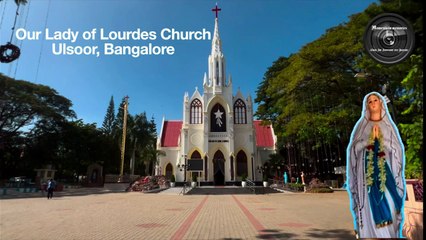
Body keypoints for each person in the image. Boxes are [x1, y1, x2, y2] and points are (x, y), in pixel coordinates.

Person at [347, 92, 405, 239]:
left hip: (387, 174)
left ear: (381, 103)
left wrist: (382, 142)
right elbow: (354, 149)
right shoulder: (361, 126)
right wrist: (368, 142)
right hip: (366, 177)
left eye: (375, 100)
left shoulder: (388, 126)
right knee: (368, 214)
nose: (373, 103)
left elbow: (396, 149)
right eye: (370, 101)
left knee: (391, 206)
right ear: (366, 106)